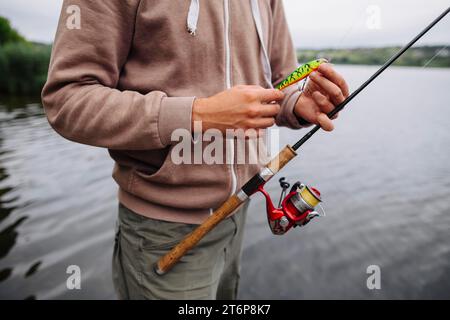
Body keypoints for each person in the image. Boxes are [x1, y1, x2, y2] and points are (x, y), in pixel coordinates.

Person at [42, 0, 349, 300]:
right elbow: (67, 99)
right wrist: (198, 114)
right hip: (161, 232)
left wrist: (298, 104)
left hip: (238, 216)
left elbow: (280, 83)